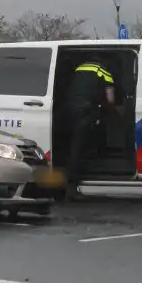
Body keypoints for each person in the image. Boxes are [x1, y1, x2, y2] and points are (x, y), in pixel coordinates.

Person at [60, 56, 116, 201]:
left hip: (67, 111)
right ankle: (71, 188)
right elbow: (110, 99)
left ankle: (63, 183)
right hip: (85, 112)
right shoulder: (104, 72)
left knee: (69, 147)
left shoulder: (79, 68)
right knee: (79, 148)